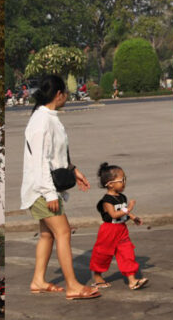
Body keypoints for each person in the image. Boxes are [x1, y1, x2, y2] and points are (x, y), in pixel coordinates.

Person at [21, 74, 101, 300]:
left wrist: (74, 171)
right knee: (63, 232)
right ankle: (73, 285)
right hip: (41, 189)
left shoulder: (47, 117)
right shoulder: (41, 121)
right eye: (65, 92)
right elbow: (39, 161)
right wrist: (48, 193)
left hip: (45, 187)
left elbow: (55, 154)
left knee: (47, 235)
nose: (67, 96)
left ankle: (38, 280)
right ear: (59, 95)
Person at [89, 163, 148, 290]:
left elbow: (123, 210)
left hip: (121, 230)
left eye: (125, 179)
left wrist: (133, 217)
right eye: (122, 180)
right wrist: (129, 208)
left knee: (127, 253)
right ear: (110, 184)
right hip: (109, 230)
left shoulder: (122, 197)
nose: (124, 182)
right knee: (102, 254)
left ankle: (132, 281)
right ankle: (98, 277)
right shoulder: (106, 200)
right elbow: (114, 214)